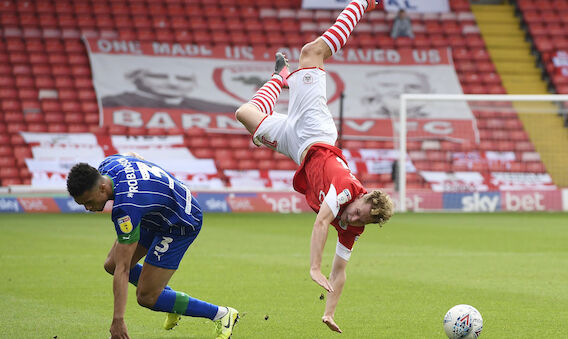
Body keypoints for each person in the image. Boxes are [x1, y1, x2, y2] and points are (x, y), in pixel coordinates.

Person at [234, 0, 394, 333]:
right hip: (314, 131)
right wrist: (313, 266)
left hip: (297, 149)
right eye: (359, 212)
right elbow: (322, 221)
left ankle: (279, 77)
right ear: (366, 197)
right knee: (311, 52)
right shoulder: (347, 190)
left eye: (360, 220)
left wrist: (330, 312)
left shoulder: (354, 227)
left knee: (244, 115)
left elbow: (340, 271)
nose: (353, 218)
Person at [66, 152, 239, 339]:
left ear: (102, 188)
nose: (88, 208)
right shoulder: (108, 165)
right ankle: (170, 301)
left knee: (146, 297)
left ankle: (222, 314)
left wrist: (118, 320)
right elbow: (133, 156)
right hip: (154, 213)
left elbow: (124, 269)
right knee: (112, 264)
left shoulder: (126, 209)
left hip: (180, 221)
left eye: (89, 202)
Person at [101, 69, 238, 112]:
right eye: (159, 76)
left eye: (184, 78)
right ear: (137, 78)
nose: (173, 84)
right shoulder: (110, 102)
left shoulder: (221, 108)